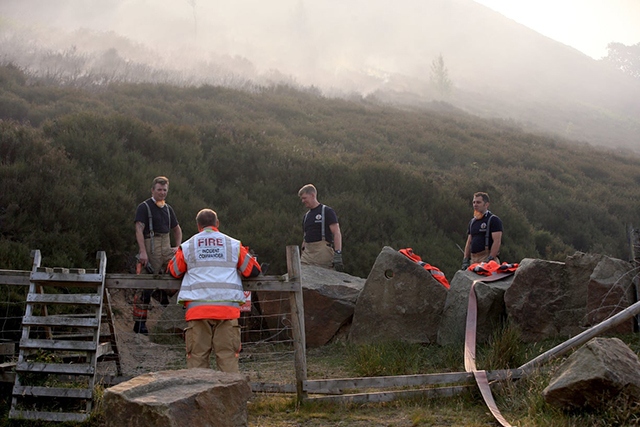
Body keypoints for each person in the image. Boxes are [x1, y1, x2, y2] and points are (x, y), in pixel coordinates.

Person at [167, 208, 261, 372]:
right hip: (227, 310)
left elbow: (173, 271)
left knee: (197, 359)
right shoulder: (233, 245)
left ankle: (198, 396)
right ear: (217, 223)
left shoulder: (188, 245)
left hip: (197, 310)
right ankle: (230, 397)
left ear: (198, 226)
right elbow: (253, 271)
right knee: (227, 358)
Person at [132, 176, 182, 334]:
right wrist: (142, 252)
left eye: (165, 190)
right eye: (159, 189)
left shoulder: (168, 209)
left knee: (180, 272)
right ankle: (140, 324)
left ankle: (171, 309)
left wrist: (178, 247)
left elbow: (177, 229)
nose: (162, 193)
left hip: (166, 246)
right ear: (152, 190)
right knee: (145, 286)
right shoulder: (144, 207)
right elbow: (139, 229)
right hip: (150, 245)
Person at [298, 184, 343, 271]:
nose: (303, 201)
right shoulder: (306, 216)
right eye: (302, 199)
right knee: (302, 278)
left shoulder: (326, 211)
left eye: (304, 198)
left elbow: (337, 232)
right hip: (307, 254)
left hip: (323, 253)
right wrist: (302, 252)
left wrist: (338, 253)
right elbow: (305, 236)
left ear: (312, 195)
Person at [461, 192, 503, 270]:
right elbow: (469, 241)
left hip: (486, 257)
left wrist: (490, 259)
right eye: (474, 202)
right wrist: (466, 259)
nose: (475, 204)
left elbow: (497, 241)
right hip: (473, 259)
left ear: (486, 204)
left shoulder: (493, 220)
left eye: (478, 202)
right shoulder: (472, 222)